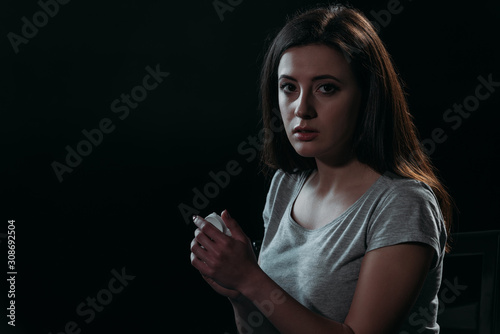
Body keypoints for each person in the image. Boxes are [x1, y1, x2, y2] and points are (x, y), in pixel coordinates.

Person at [190, 4, 453, 334]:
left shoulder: (403, 203)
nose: (302, 109)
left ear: (367, 95)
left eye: (326, 87)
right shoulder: (286, 185)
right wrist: (238, 294)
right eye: (289, 87)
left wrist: (249, 277)